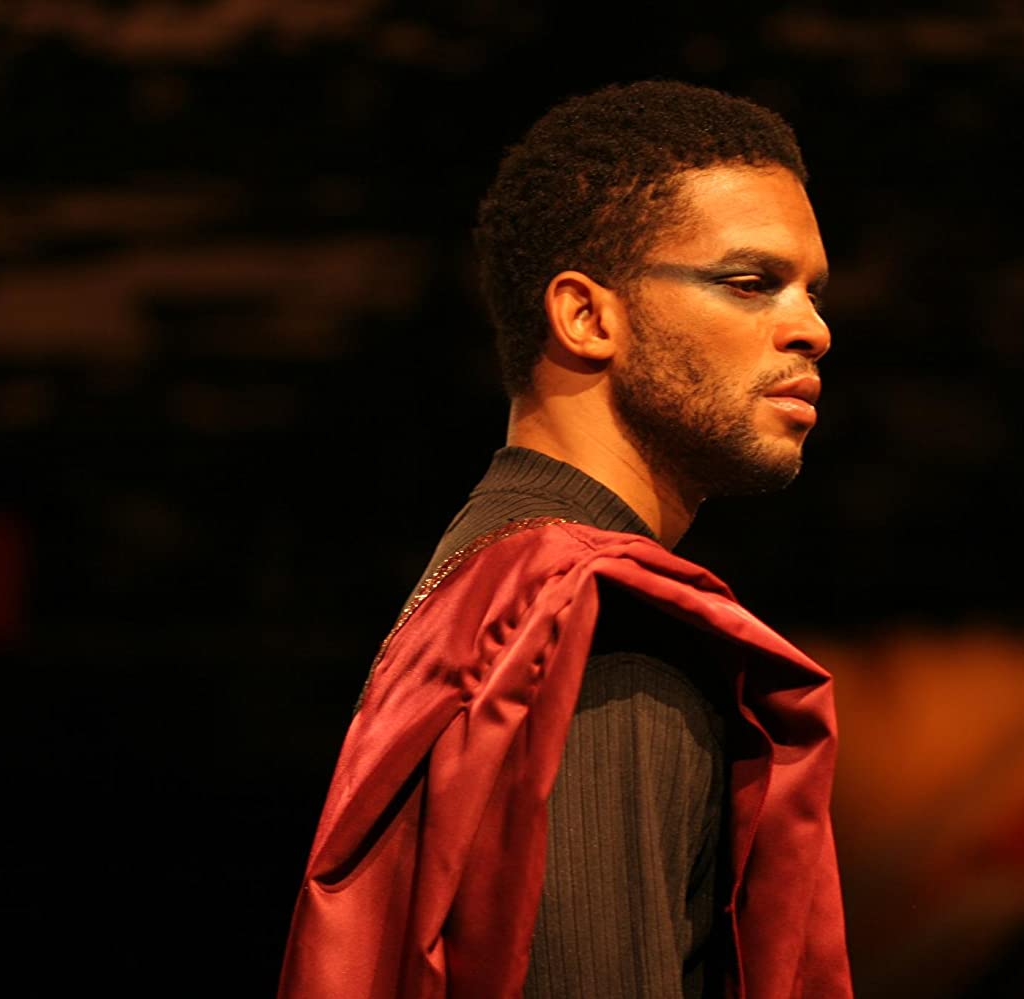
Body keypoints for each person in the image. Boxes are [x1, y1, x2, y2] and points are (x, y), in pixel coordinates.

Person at [279, 80, 851, 998]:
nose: (811, 330)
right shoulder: (602, 630)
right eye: (750, 283)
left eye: (812, 292)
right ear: (587, 316)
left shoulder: (486, 583)